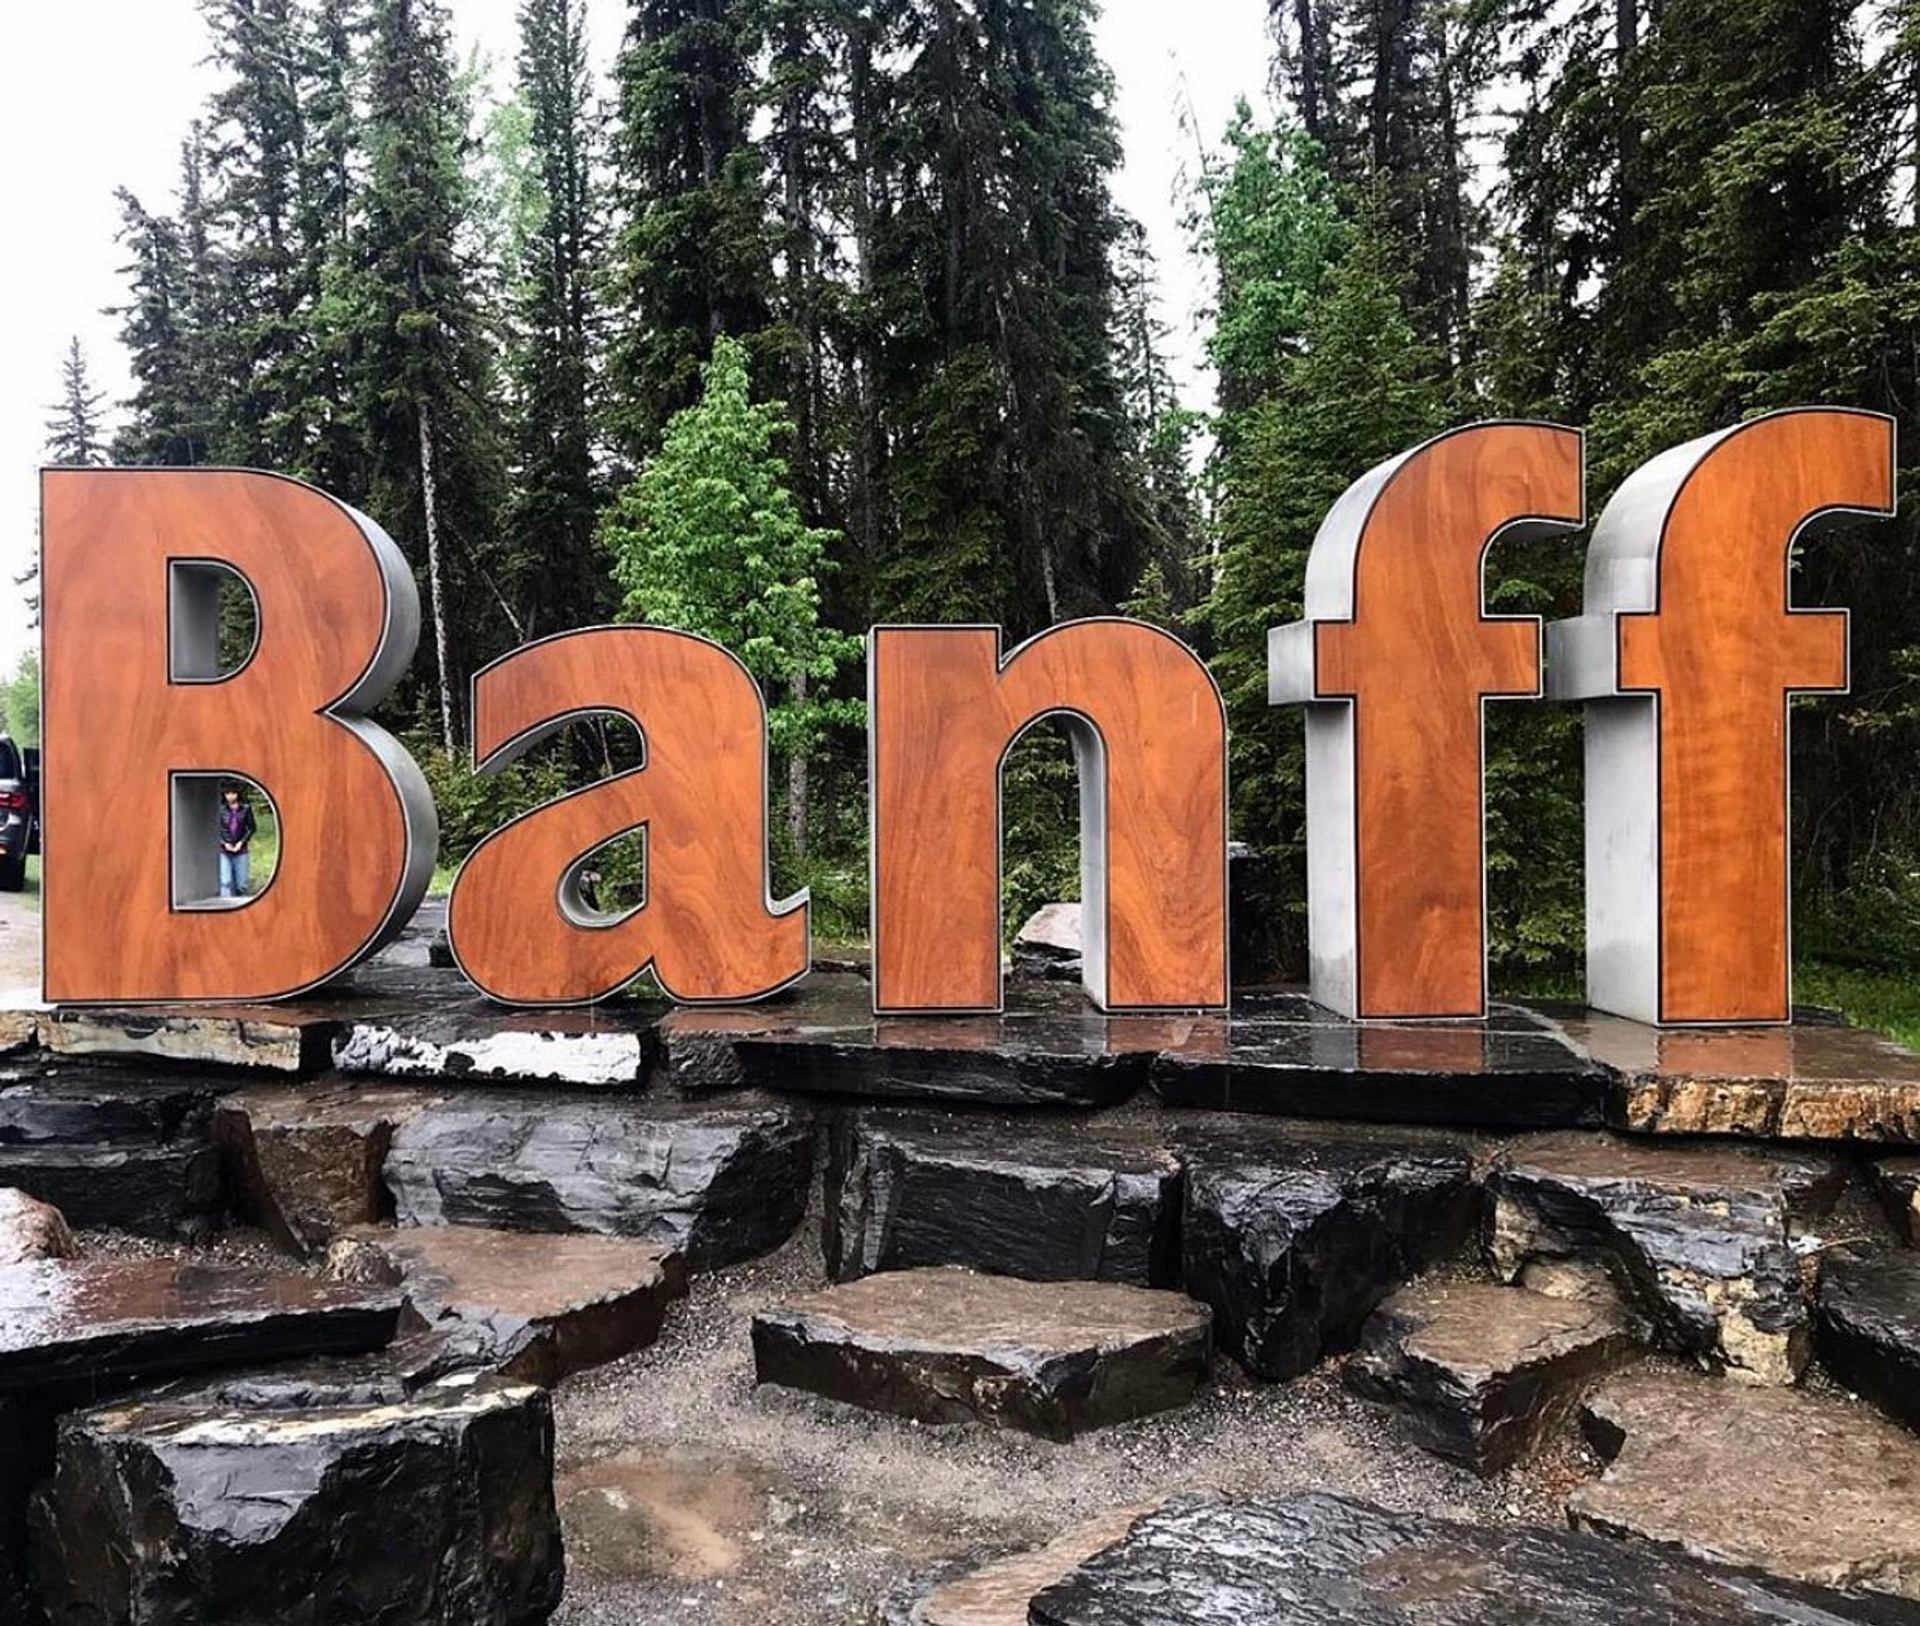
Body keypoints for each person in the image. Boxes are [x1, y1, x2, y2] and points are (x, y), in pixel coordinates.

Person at [218, 784, 257, 899]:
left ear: (237, 794)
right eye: (227, 794)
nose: (230, 796)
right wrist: (224, 842)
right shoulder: (220, 810)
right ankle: (226, 906)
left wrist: (242, 842)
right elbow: (215, 828)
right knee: (226, 881)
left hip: (241, 849)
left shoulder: (245, 808)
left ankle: (240, 904)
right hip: (224, 849)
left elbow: (251, 828)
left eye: (233, 793)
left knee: (241, 884)